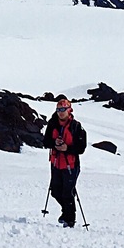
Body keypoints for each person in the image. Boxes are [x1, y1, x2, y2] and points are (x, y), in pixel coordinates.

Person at [43, 95, 87, 227]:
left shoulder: (76, 127)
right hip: (56, 163)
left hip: (71, 164)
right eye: (59, 110)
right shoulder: (52, 124)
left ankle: (70, 219)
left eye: (63, 109)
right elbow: (45, 141)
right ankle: (66, 213)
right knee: (55, 191)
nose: (61, 112)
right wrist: (54, 143)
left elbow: (81, 147)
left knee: (68, 192)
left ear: (69, 110)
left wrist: (67, 148)